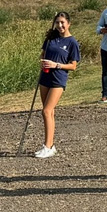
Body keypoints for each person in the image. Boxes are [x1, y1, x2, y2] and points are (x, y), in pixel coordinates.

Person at [34, 11, 80, 158]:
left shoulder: (72, 42)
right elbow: (43, 54)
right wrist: (43, 63)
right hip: (45, 77)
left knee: (46, 111)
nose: (60, 25)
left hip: (58, 79)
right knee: (49, 112)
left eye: (62, 23)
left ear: (68, 24)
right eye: (57, 23)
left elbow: (73, 66)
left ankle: (47, 147)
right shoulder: (50, 39)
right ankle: (50, 145)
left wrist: (56, 65)